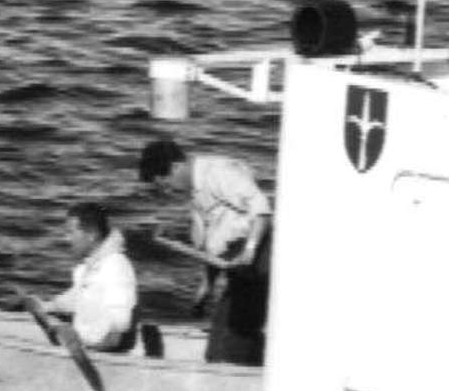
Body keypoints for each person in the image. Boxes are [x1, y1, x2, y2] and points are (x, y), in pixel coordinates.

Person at [138, 136, 272, 366]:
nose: (168, 191)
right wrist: (206, 288)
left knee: (227, 347)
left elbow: (261, 209)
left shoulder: (216, 173)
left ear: (176, 167)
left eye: (166, 183)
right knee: (220, 342)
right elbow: (212, 247)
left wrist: (250, 250)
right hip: (234, 265)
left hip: (258, 259)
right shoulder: (194, 193)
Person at [30, 201, 140, 353]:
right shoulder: (88, 268)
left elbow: (116, 331)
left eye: (71, 232)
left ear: (91, 235)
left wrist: (90, 350)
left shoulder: (115, 266)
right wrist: (48, 306)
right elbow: (78, 297)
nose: (66, 239)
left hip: (101, 356)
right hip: (82, 347)